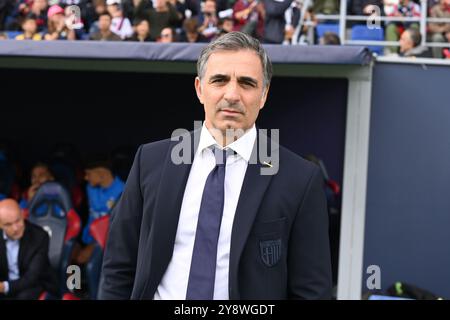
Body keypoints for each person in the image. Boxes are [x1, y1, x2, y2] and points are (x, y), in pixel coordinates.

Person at [99, 31, 332, 300]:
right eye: (219, 80)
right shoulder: (151, 161)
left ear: (264, 94)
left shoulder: (299, 179)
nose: (231, 94)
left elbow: (311, 291)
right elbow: (118, 266)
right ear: (200, 89)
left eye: (246, 83)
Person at [0, 199, 57, 299]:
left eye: (18, 221)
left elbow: (31, 278)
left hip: (33, 285)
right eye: (8, 224)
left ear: (23, 215)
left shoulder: (40, 236)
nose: (15, 228)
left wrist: (4, 287)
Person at [73, 158, 124, 265]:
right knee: (71, 260)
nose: (86, 178)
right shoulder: (90, 188)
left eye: (88, 174)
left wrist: (93, 245)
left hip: (107, 240)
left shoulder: (123, 190)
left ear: (101, 174)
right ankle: (74, 282)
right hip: (87, 236)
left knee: (88, 262)